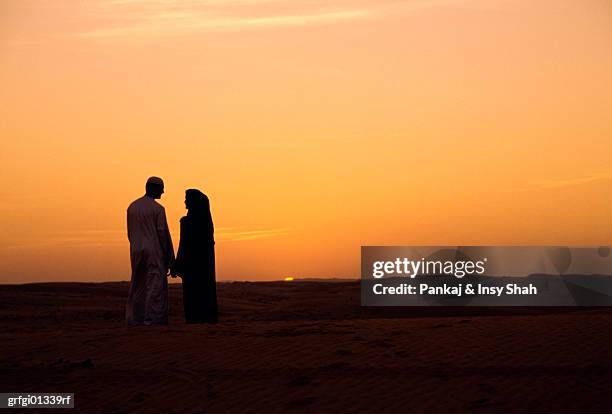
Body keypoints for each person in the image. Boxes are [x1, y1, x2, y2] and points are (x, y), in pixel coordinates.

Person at [126, 176, 175, 325]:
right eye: (161, 189)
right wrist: (169, 258)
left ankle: (135, 318)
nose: (163, 192)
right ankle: (153, 319)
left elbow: (130, 232)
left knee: (138, 283)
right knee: (155, 285)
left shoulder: (132, 207)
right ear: (153, 188)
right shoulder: (158, 209)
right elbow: (162, 233)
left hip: (136, 250)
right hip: (154, 252)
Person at [172, 189, 218, 323]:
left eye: (187, 199)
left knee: (192, 295)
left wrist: (177, 264)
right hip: (204, 269)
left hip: (191, 268)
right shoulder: (207, 224)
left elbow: (183, 245)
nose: (185, 202)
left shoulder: (187, 222)